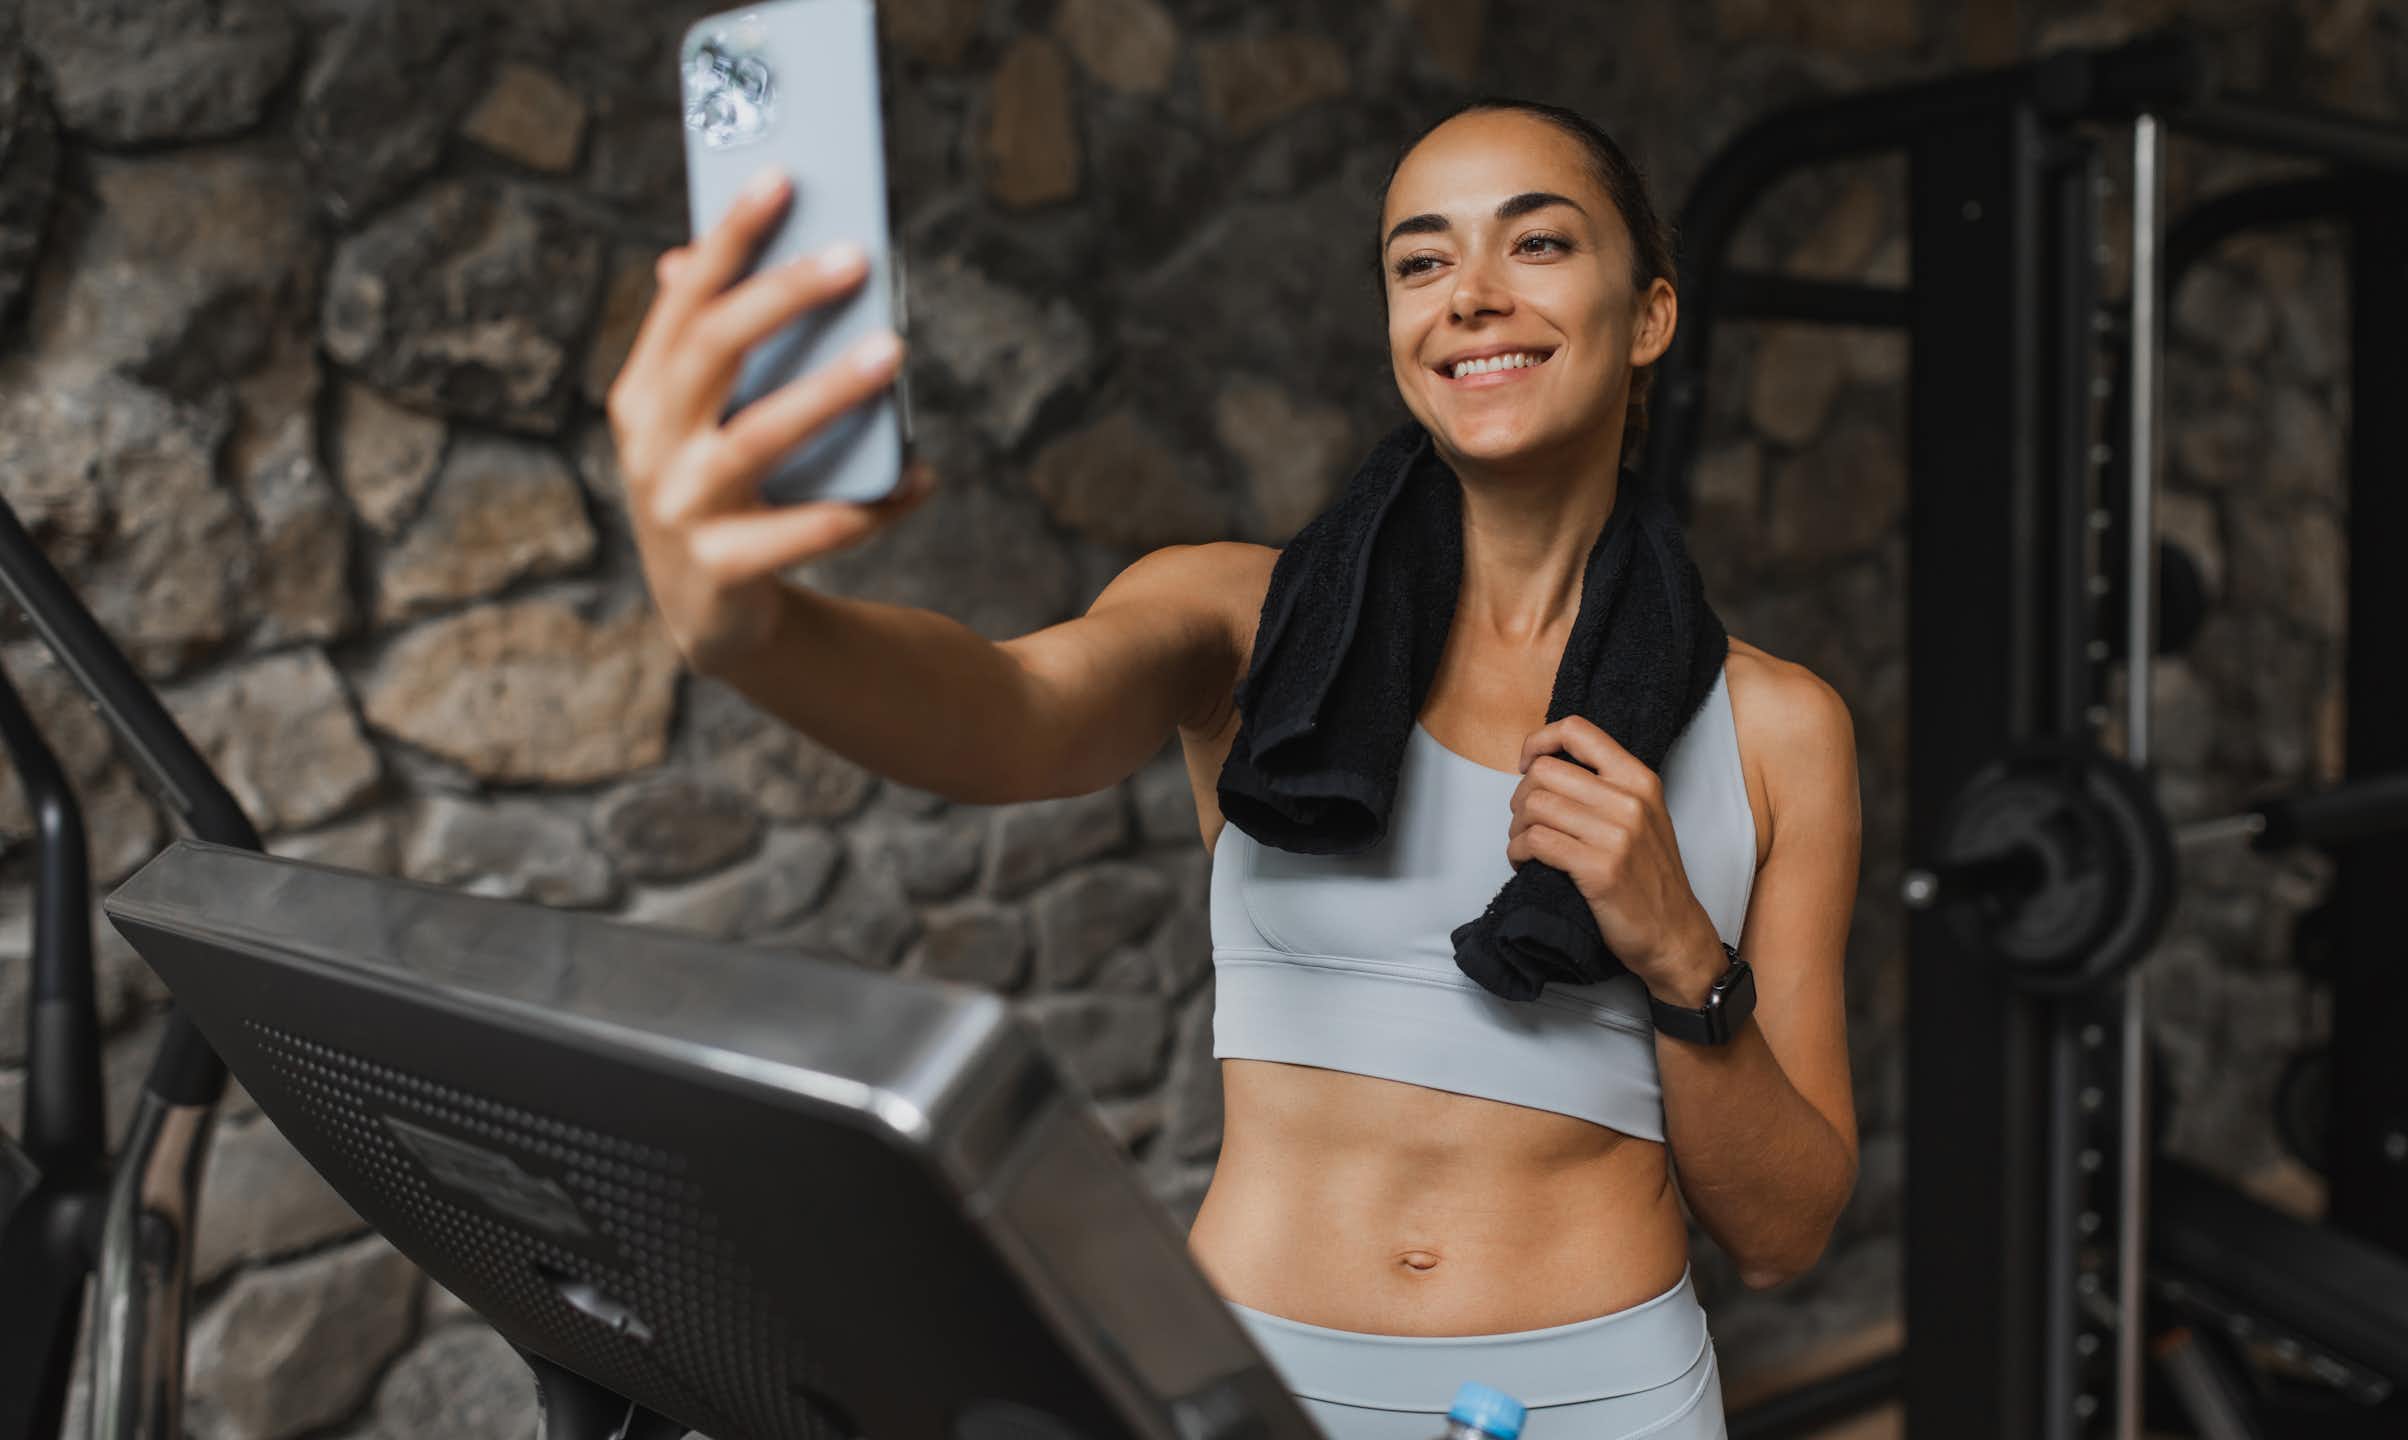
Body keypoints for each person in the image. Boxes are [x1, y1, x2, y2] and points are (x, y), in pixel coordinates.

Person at [608, 96, 1861, 1440]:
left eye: (1537, 245)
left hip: (1603, 1405)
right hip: (1259, 1396)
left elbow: (1784, 1231)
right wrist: (761, 632)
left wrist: (1680, 955)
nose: (1473, 297)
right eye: (1421, 262)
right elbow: (1008, 709)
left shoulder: (1778, 731)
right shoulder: (1250, 629)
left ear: (1653, 313)